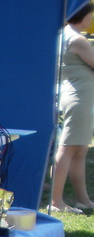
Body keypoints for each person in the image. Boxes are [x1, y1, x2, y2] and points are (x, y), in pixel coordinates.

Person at [51, 2, 94, 214]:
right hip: (79, 99)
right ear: (81, 15)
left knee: (79, 150)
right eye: (90, 16)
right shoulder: (77, 39)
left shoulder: (64, 35)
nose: (91, 20)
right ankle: (56, 202)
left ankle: (83, 200)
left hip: (77, 98)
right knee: (68, 149)